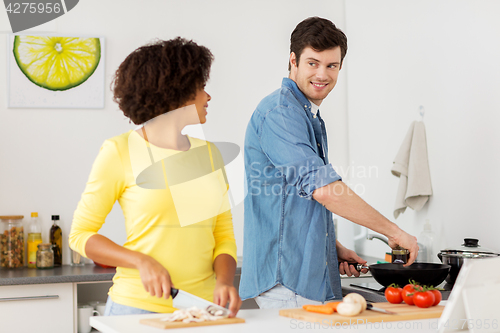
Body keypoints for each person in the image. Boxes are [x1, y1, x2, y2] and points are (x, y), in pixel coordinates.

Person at [239, 17, 419, 309]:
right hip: (287, 280)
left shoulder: (305, 114)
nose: (322, 74)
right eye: (313, 63)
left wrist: (331, 247)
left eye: (331, 65)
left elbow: (295, 201)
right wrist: (394, 232)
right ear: (293, 61)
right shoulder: (281, 113)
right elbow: (324, 190)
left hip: (303, 274)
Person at [69, 37, 241, 316]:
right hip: (137, 309)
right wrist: (139, 261)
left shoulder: (211, 155)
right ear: (177, 92)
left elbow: (223, 236)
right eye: (200, 87)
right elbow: (81, 234)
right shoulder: (119, 150)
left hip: (203, 309)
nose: (207, 96)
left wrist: (224, 282)